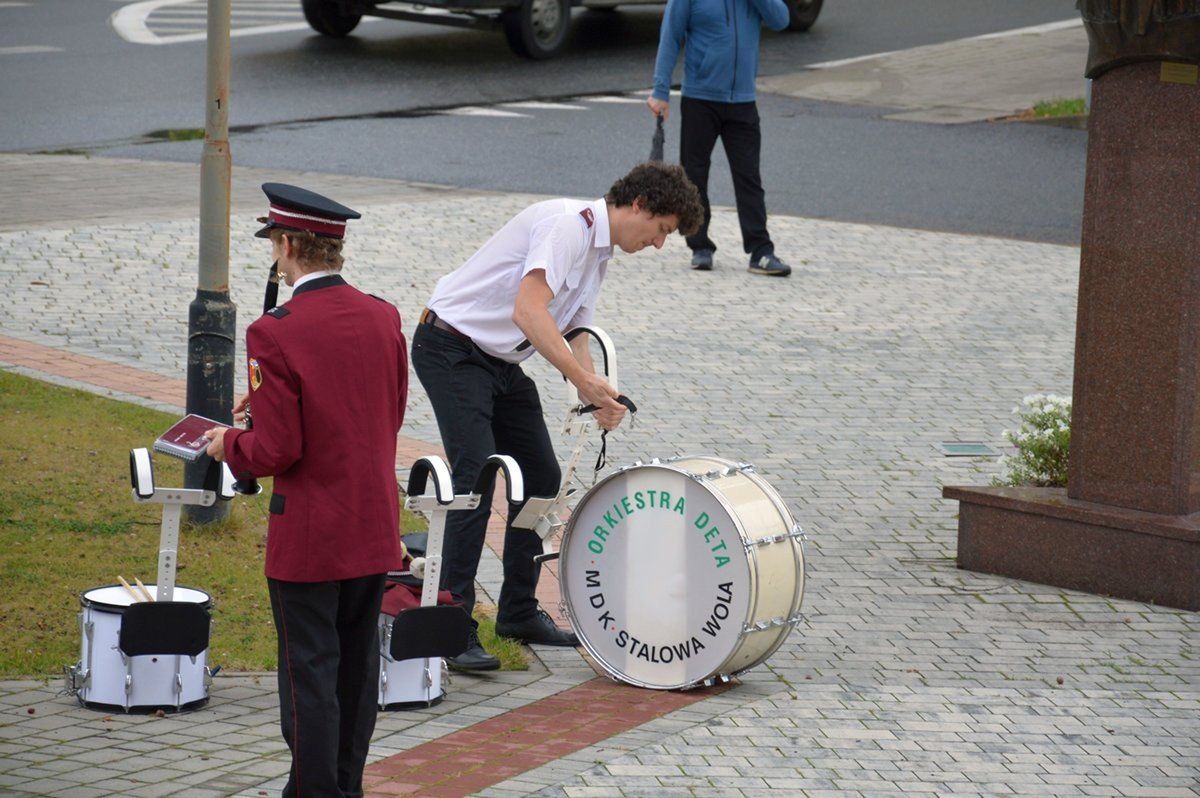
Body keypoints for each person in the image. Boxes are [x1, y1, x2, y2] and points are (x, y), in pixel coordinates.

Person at [413, 162, 703, 671]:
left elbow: (572, 331)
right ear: (638, 205)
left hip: (498, 361)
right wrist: (582, 380)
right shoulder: (569, 226)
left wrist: (595, 398)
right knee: (474, 476)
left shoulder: (599, 252)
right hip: (451, 347)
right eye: (662, 231)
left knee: (542, 478)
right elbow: (529, 311)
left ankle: (518, 612)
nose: (659, 245)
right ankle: (450, 622)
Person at [204, 183, 408, 798]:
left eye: (275, 243)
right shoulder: (383, 314)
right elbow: (385, 414)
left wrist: (227, 444)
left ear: (287, 245)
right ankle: (346, 787)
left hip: (312, 533)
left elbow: (276, 451)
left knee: (309, 678)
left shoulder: (276, 331)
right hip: (372, 522)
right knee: (355, 672)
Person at [647, 0, 793, 277]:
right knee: (695, 176)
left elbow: (781, 20)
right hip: (700, 99)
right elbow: (670, 36)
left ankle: (761, 251)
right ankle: (700, 247)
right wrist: (660, 90)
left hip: (743, 102)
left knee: (749, 177)